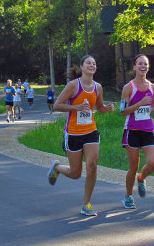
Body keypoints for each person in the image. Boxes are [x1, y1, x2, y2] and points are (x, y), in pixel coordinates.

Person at [47, 55, 115, 216]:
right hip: (73, 133)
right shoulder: (73, 85)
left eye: (94, 63)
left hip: (90, 131)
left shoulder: (98, 87)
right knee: (75, 174)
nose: (92, 65)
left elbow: (99, 107)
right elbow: (57, 106)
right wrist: (76, 107)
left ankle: (86, 204)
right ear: (82, 67)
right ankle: (56, 167)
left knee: (92, 165)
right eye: (89, 63)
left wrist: (107, 108)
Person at [119, 55, 154, 209]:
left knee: (153, 163)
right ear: (134, 67)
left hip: (148, 130)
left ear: (148, 67)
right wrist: (139, 104)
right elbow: (123, 111)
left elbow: (153, 105)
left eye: (146, 64)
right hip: (132, 131)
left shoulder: (152, 87)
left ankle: (141, 179)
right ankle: (128, 197)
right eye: (140, 64)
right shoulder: (128, 87)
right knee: (133, 167)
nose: (143, 66)